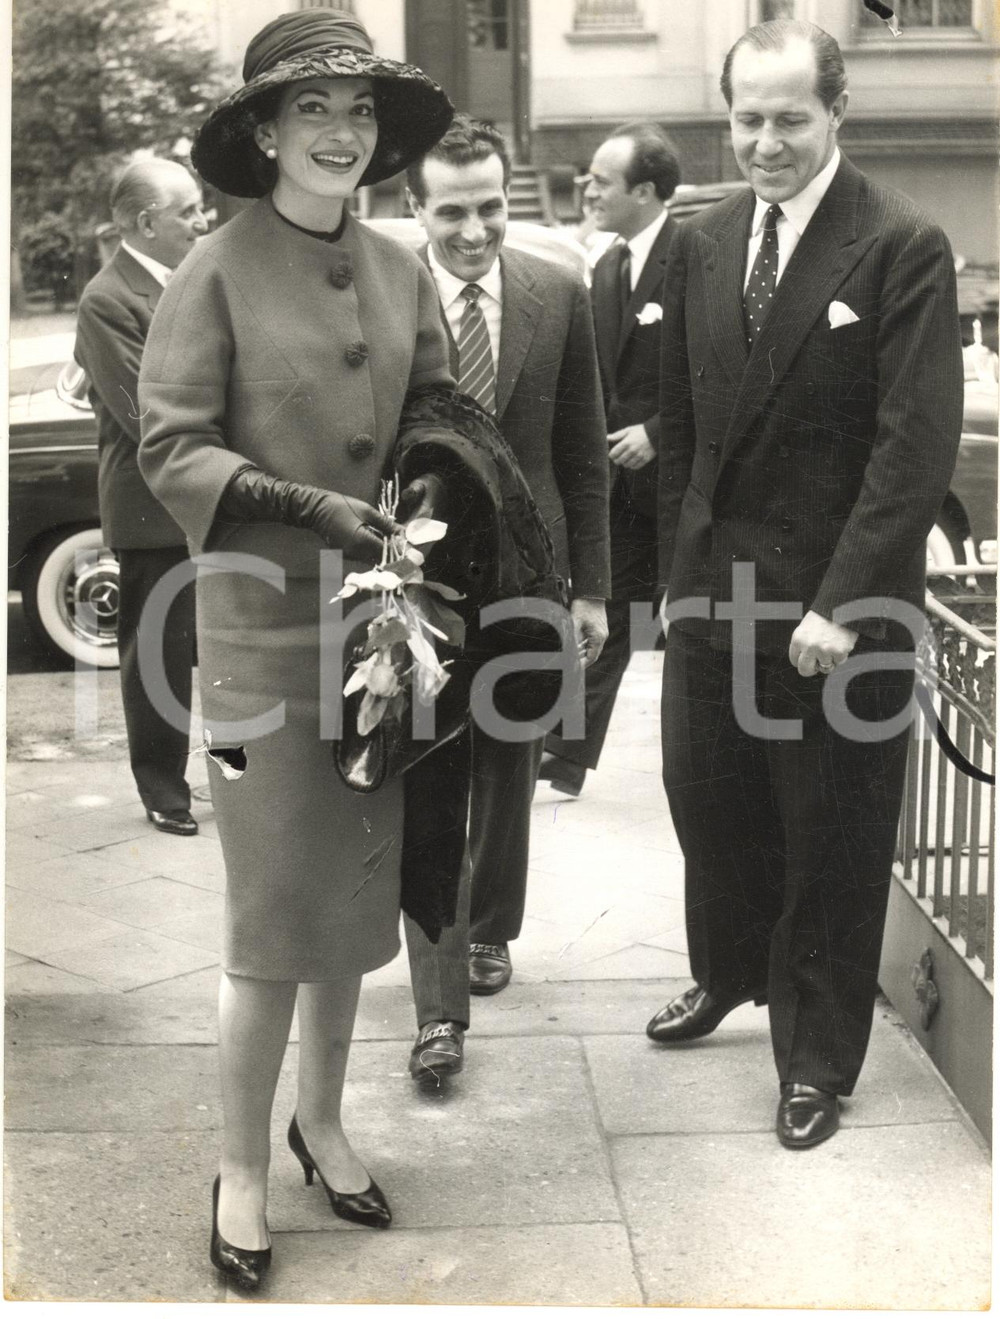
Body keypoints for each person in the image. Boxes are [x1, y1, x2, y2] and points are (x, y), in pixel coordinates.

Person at [136, 9, 456, 1290]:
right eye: (312, 109)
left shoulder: (400, 264)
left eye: (359, 111)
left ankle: (322, 1126)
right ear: (263, 131)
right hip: (264, 651)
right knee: (272, 927)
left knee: (352, 916)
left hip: (385, 641)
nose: (340, 131)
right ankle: (241, 1172)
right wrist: (294, 501)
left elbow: (438, 422)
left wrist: (449, 503)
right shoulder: (210, 270)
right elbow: (168, 445)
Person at [649, 19, 962, 1149]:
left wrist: (841, 604)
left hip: (843, 607)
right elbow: (682, 421)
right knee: (709, 802)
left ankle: (817, 1059)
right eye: (748, 119)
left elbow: (910, 453)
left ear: (837, 113)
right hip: (714, 596)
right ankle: (731, 970)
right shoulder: (701, 237)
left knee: (829, 838)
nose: (766, 143)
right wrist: (675, 577)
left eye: (790, 118)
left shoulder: (900, 242)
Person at [401, 116, 611, 1079]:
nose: (475, 230)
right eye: (452, 211)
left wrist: (592, 591)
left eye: (490, 206)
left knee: (509, 768)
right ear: (416, 209)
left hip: (533, 576)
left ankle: (491, 928)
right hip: (425, 578)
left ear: (510, 198)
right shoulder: (387, 297)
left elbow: (582, 457)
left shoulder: (558, 293)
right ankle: (436, 1006)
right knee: (431, 774)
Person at [539, 122, 680, 798]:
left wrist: (658, 431)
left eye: (602, 180)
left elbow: (724, 369)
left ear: (646, 191)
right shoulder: (606, 264)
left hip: (686, 487)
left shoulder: (695, 255)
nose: (587, 190)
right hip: (621, 490)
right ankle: (563, 756)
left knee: (704, 628)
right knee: (612, 618)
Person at [74, 158, 207, 835]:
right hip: (154, 508)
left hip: (206, 494)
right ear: (147, 222)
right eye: (188, 210)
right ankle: (163, 790)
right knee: (156, 656)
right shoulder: (107, 298)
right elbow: (141, 410)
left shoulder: (190, 278)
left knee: (219, 647)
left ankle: (220, 774)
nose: (203, 219)